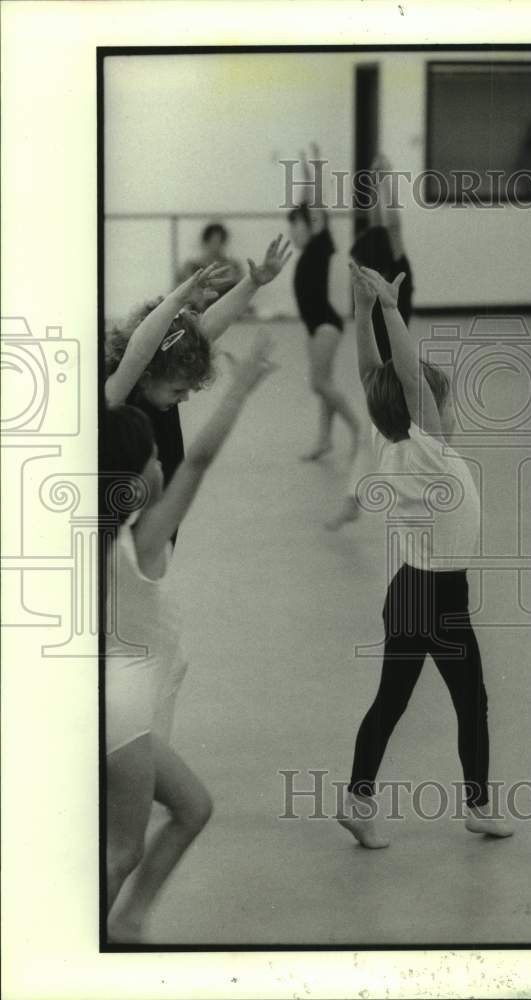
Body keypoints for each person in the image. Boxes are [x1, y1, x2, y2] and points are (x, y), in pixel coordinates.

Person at [101, 337, 278, 942]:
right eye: (154, 460)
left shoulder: (86, 537)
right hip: (120, 711)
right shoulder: (141, 544)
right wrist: (240, 389)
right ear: (132, 480)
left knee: (193, 807)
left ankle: (127, 918)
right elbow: (197, 463)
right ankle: (76, 930)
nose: (162, 467)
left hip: (106, 701)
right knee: (120, 852)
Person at [336, 262, 514, 848]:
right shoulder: (430, 452)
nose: (448, 412)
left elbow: (372, 375)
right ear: (426, 415)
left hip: (406, 592)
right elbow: (409, 382)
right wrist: (387, 308)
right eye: (443, 404)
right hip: (441, 600)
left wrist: (362, 317)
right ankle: (479, 806)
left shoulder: (386, 445)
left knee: (390, 701)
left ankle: (359, 798)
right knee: (473, 702)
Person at [105, 235, 292, 493]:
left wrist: (252, 282)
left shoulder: (162, 380)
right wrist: (178, 299)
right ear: (147, 375)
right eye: (178, 390)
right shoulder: (117, 395)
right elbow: (139, 352)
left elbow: (206, 328)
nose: (184, 398)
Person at [325, 154, 414, 530]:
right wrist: (377, 181)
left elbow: (391, 224)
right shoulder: (373, 287)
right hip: (386, 371)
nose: (355, 272)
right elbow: (382, 226)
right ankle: (357, 499)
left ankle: (359, 500)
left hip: (397, 372)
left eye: (360, 264)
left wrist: (387, 180)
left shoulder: (394, 271)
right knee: (378, 435)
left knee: (386, 435)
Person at [288, 141, 361, 461]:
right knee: (324, 382)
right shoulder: (310, 248)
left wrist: (316, 167)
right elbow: (307, 206)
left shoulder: (321, 243)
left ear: (313, 227)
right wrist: (305, 172)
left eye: (296, 228)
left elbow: (315, 206)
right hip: (316, 325)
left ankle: (358, 428)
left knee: (319, 384)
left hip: (325, 324)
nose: (293, 234)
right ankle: (324, 440)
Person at [177, 222, 243, 298]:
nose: (217, 246)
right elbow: (181, 292)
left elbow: (241, 291)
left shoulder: (233, 266)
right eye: (213, 242)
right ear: (205, 242)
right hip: (199, 307)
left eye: (220, 242)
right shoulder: (191, 266)